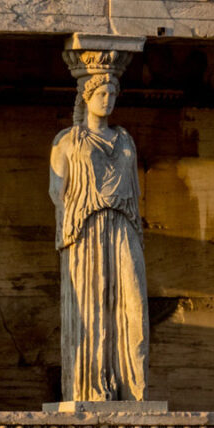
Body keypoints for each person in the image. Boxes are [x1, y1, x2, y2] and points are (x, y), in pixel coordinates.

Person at [49, 71, 148, 401]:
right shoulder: (67, 141)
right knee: (92, 305)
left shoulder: (125, 139)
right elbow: (56, 190)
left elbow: (135, 188)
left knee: (132, 302)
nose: (107, 100)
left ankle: (132, 387)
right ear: (87, 97)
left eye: (112, 94)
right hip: (86, 230)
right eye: (101, 94)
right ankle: (92, 388)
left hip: (124, 225)